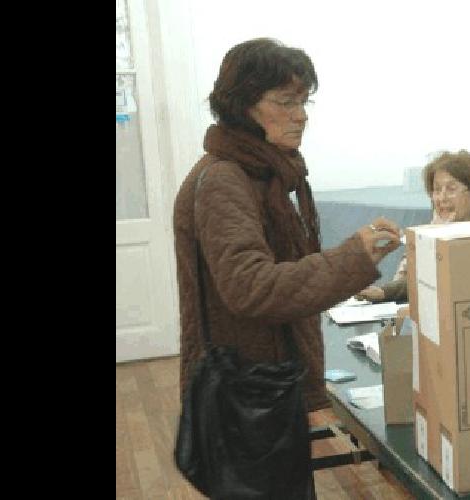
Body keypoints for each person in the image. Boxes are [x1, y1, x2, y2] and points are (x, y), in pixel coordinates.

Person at [171, 38, 401, 498]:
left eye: (304, 101)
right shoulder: (224, 179)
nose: (301, 115)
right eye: (285, 101)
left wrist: (353, 257)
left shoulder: (262, 172)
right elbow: (251, 287)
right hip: (247, 394)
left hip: (261, 386)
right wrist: (354, 257)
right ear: (243, 108)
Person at [355, 150, 470, 303]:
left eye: (451, 189)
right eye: (437, 190)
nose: (442, 198)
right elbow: (411, 280)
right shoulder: (429, 231)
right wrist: (383, 292)